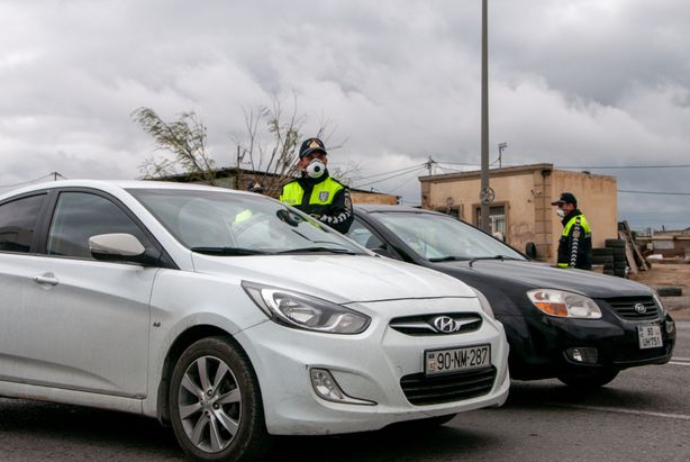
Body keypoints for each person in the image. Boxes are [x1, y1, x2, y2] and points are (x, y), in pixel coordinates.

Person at [280, 137, 353, 234]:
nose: (316, 162)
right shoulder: (287, 188)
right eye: (310, 158)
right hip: (292, 247)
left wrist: (316, 220)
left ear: (326, 161)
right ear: (301, 163)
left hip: (323, 248)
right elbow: (278, 220)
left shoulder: (338, 189)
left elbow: (344, 223)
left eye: (320, 157)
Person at [551, 192, 592, 270]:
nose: (559, 209)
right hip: (567, 273)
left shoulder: (576, 224)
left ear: (570, 206)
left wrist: (571, 273)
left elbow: (574, 255)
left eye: (561, 205)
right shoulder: (570, 222)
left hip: (574, 274)